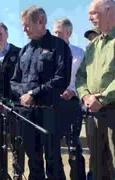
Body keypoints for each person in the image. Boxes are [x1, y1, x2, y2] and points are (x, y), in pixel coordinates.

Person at [11, 6, 72, 179]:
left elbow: (61, 78)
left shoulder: (58, 46)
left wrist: (34, 93)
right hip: (28, 114)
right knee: (33, 158)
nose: (24, 29)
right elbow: (14, 81)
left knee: (53, 158)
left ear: (41, 22)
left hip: (50, 112)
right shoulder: (24, 50)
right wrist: (25, 95)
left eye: (27, 25)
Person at [76, 0, 115, 179]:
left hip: (112, 111)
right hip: (93, 114)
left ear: (109, 11)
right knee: (97, 167)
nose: (89, 18)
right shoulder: (93, 46)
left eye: (94, 13)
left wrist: (103, 98)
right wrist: (85, 96)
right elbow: (81, 76)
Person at [0, 22, 24, 179]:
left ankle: (17, 176)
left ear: (7, 34)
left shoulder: (18, 53)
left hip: (15, 107)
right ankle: (0, 176)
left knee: (17, 145)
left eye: (1, 33)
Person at [53, 18, 86, 180]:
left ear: (69, 33)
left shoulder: (80, 54)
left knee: (73, 147)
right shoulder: (49, 54)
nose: (56, 35)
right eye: (55, 32)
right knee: (53, 147)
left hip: (73, 104)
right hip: (53, 106)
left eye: (59, 32)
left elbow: (84, 78)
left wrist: (73, 91)